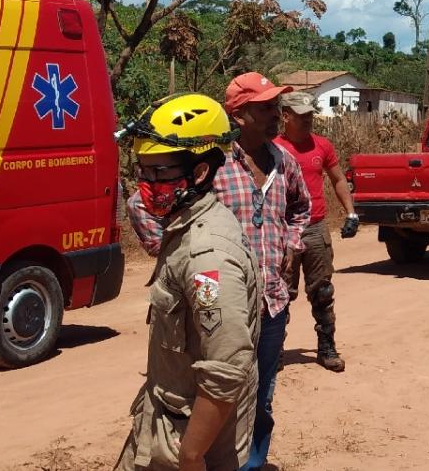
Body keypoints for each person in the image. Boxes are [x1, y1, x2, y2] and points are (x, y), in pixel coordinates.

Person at [129, 73, 312, 471]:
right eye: (264, 108)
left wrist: (292, 245)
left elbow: (302, 208)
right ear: (238, 115)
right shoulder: (205, 164)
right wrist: (174, 254)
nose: (274, 115)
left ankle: (251, 460)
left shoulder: (284, 161)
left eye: (275, 107)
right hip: (212, 299)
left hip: (270, 302)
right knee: (209, 389)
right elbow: (140, 204)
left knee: (257, 395)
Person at [115, 94, 261, 471]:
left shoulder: (206, 257)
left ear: (198, 173)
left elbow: (227, 365)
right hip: (169, 420)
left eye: (159, 173)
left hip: (187, 441)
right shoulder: (185, 226)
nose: (148, 184)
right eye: (143, 172)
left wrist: (191, 455)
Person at [274, 91, 359, 372]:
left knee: (322, 291)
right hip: (282, 230)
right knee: (280, 293)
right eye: (302, 115)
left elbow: (338, 180)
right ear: (286, 116)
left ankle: (326, 348)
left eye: (311, 114)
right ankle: (273, 352)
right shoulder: (272, 148)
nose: (309, 119)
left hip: (315, 227)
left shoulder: (322, 145)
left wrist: (351, 213)